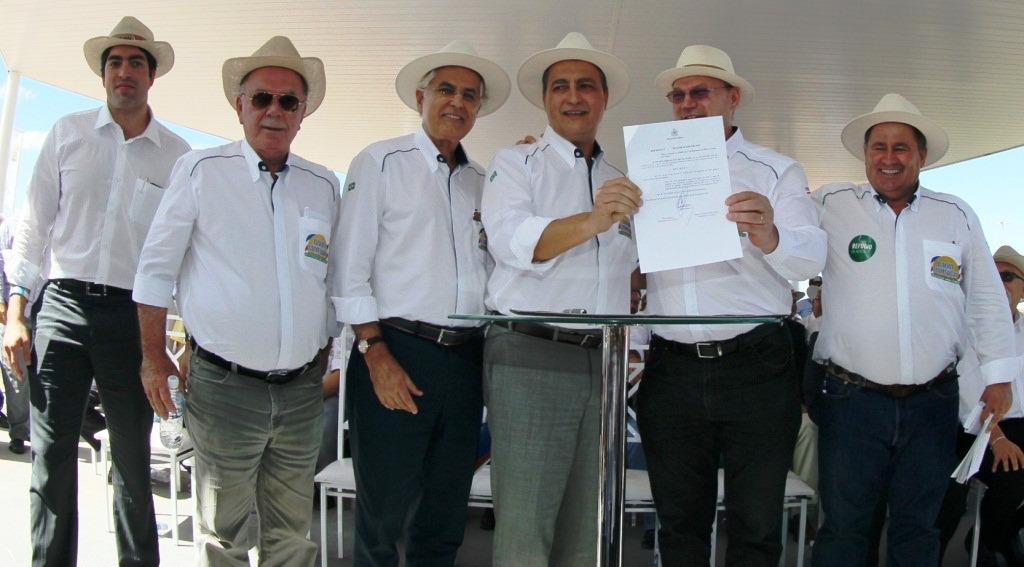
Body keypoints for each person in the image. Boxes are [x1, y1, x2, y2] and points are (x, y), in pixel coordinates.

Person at [133, 36, 339, 566]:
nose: (275, 110)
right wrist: (154, 357)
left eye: (288, 101)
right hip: (224, 389)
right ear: (239, 105)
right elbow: (155, 271)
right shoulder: (201, 171)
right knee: (223, 534)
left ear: (302, 114)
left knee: (292, 533)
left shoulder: (323, 185)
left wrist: (325, 354)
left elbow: (331, 279)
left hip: (301, 392)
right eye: (262, 98)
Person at [2, 17, 189, 566]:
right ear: (104, 73)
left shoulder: (177, 156)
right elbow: (33, 227)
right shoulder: (68, 133)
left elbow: (181, 254)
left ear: (152, 75)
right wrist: (16, 313)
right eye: (115, 62)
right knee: (50, 458)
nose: (124, 71)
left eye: (135, 63)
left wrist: (182, 341)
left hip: (132, 318)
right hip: (61, 307)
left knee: (132, 462)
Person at [636, 44, 825, 566]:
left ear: (733, 97)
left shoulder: (775, 170)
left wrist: (770, 233)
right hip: (671, 367)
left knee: (757, 526)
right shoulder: (647, 170)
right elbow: (626, 259)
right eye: (678, 95)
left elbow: (811, 256)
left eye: (700, 92)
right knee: (678, 526)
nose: (687, 104)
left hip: (755, 367)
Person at [810, 93, 1015, 566]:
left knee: (919, 528)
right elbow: (784, 239)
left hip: (932, 403)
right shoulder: (829, 204)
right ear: (865, 155)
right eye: (878, 147)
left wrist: (999, 376)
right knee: (844, 527)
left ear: (921, 155)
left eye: (901, 147)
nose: (889, 158)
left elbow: (986, 298)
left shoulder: (955, 213)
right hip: (851, 402)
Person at [335, 39, 510, 565]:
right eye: (446, 90)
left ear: (478, 108)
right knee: (382, 516)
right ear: (420, 97)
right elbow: (348, 269)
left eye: (470, 95)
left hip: (465, 360)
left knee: (444, 514)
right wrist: (375, 353)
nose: (458, 102)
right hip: (396, 351)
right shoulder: (380, 162)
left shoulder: (484, 182)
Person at [482, 31, 640, 566]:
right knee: (526, 529)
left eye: (586, 85)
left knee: (586, 530)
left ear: (604, 98)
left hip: (605, 364)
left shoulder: (623, 180)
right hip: (531, 355)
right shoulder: (515, 163)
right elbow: (512, 243)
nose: (574, 97)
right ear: (545, 99)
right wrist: (594, 220)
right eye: (561, 86)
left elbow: (635, 269)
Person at [935, 245, 1024, 566]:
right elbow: (969, 392)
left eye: (1009, 277)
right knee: (1013, 475)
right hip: (974, 428)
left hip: (1018, 424)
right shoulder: (967, 329)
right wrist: (996, 437)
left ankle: (994, 535)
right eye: (993, 277)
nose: (1001, 284)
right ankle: (989, 542)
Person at [0, 214, 30, 454]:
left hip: (43, 311)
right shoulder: (10, 226)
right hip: (10, 314)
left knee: (44, 377)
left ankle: (36, 432)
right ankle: (19, 432)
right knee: (15, 376)